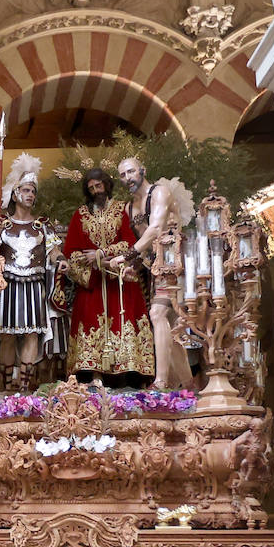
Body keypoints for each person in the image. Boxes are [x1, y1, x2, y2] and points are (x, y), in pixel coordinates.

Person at [57, 167, 156, 386]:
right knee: (91, 321)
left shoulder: (123, 210)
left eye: (98, 186)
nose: (95, 191)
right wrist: (90, 263)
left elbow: (131, 243)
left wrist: (103, 254)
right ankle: (94, 375)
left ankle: (129, 376)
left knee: (125, 321)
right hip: (92, 283)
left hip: (120, 281)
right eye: (91, 188)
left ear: (106, 185)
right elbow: (71, 250)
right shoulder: (80, 214)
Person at [115, 157, 195, 390]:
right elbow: (146, 243)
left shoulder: (159, 192)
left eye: (131, 171)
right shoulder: (130, 207)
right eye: (122, 175)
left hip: (175, 262)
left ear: (142, 170)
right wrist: (136, 264)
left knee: (158, 314)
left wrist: (128, 255)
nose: (127, 178)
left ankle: (160, 381)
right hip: (155, 267)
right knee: (169, 327)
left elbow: (156, 228)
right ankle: (188, 385)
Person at [0, 152, 62, 391]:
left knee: (32, 333)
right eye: (26, 190)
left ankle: (24, 385)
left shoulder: (42, 225)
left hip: (34, 284)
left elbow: (53, 249)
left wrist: (62, 260)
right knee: (8, 334)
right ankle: (7, 386)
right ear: (15, 193)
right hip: (8, 285)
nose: (30, 195)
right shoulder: (3, 225)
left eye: (33, 191)